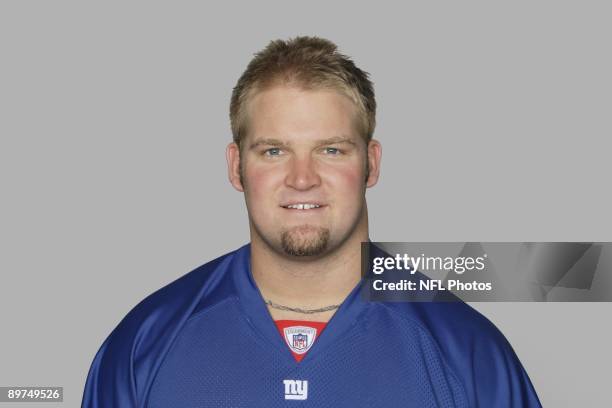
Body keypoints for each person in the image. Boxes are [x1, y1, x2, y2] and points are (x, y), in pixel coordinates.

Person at [82, 36, 541, 407]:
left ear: (371, 164)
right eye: (274, 151)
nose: (302, 179)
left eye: (331, 150)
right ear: (236, 166)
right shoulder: (145, 344)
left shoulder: (467, 352)